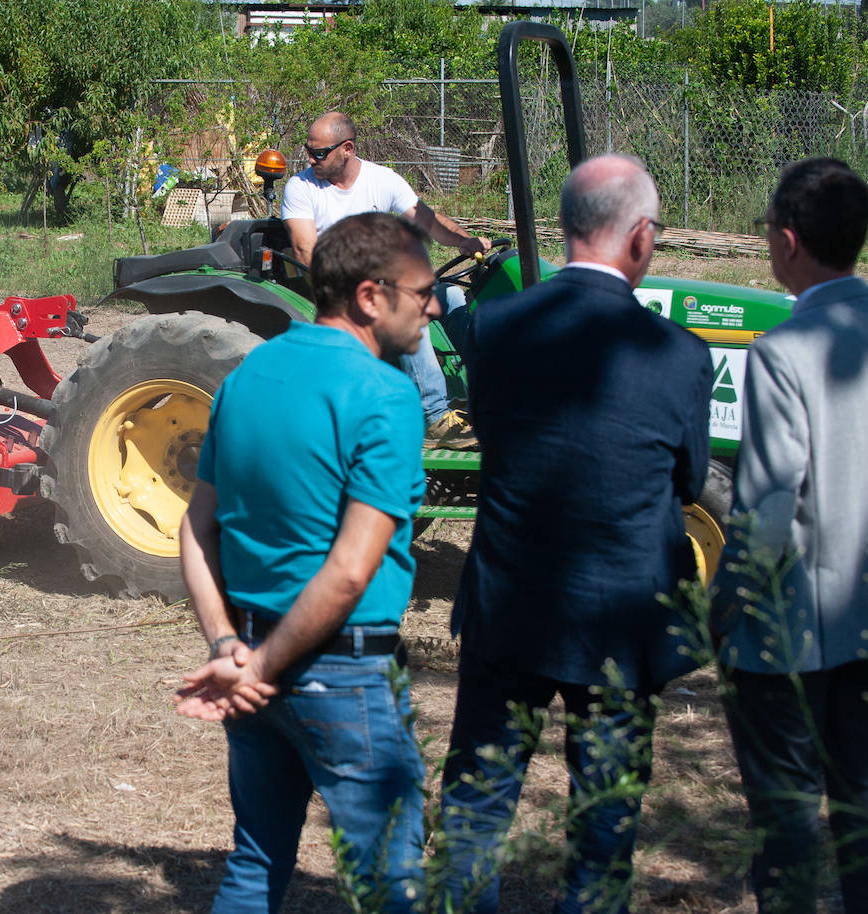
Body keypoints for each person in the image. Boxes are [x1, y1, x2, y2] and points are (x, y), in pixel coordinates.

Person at [435, 155, 713, 913]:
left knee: (476, 808)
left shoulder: (493, 327)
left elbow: (493, 438)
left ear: (567, 228)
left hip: (509, 605)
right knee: (603, 825)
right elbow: (688, 485)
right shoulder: (680, 354)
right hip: (621, 621)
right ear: (642, 238)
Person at [175, 211, 434, 912]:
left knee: (258, 857)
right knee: (391, 878)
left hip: (251, 656)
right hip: (337, 669)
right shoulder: (386, 395)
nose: (433, 307)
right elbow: (350, 571)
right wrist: (262, 667)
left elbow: (195, 528)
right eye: (422, 293)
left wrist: (229, 647)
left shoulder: (248, 374)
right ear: (371, 296)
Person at [710, 157, 868, 914]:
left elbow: (771, 508)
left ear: (790, 240)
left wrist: (722, 606)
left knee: (788, 825)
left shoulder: (781, 352)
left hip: (792, 635)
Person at [282, 111, 490, 450]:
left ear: (347, 148)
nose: (310, 158)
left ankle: (492, 392)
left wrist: (465, 241)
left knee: (452, 296)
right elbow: (307, 251)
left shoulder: (383, 180)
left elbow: (428, 221)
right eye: (309, 150)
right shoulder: (301, 187)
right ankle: (434, 416)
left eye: (319, 152)